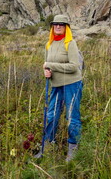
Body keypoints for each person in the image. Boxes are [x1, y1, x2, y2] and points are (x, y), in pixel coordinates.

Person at [35, 14, 83, 162]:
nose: (58, 26)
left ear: (66, 27)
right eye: (55, 24)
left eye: (61, 24)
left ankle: (73, 149)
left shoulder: (70, 43)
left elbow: (74, 66)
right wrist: (46, 72)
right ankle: (48, 146)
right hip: (56, 85)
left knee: (71, 117)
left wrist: (51, 66)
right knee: (51, 115)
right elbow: (47, 64)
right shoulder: (49, 45)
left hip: (72, 84)